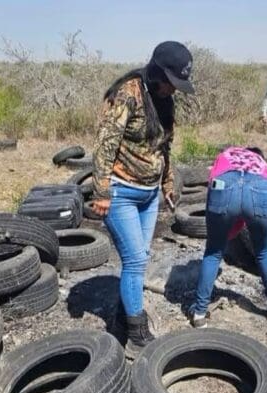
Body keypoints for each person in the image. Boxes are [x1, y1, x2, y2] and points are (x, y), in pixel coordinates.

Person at [91, 41, 194, 357]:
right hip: (121, 191)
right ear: (156, 72)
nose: (172, 90)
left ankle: (122, 321)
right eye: (170, 82)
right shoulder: (128, 94)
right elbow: (105, 144)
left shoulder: (165, 101)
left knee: (140, 257)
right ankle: (137, 334)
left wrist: (168, 182)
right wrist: (101, 191)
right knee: (135, 260)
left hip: (149, 195)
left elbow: (164, 147)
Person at [189, 146, 267, 328]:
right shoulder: (261, 162)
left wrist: (223, 235)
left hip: (224, 185)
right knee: (264, 250)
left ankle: (199, 313)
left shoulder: (225, 155)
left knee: (213, 252)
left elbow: (213, 188)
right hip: (261, 187)